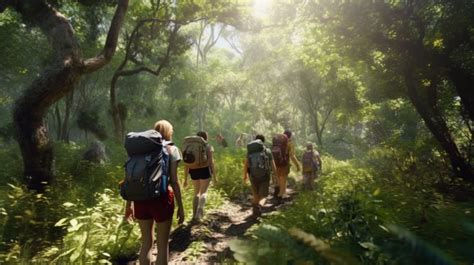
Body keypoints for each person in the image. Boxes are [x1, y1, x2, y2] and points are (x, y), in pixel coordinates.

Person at [124, 120, 185, 265]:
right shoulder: (172, 149)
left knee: (146, 243)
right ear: (169, 132)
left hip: (140, 199)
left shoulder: (139, 151)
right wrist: (181, 207)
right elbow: (174, 181)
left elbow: (129, 179)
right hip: (162, 199)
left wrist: (128, 205)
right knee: (163, 245)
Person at [184, 131, 217, 222]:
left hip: (193, 170)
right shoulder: (208, 146)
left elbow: (186, 164)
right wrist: (214, 176)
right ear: (206, 138)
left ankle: (194, 215)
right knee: (204, 192)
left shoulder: (190, 147)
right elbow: (211, 162)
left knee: (196, 193)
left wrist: (185, 179)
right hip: (204, 169)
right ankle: (200, 211)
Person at [243, 134, 277, 216]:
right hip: (265, 176)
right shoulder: (267, 151)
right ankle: (258, 207)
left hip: (253, 175)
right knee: (264, 196)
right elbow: (273, 166)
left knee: (255, 195)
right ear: (263, 141)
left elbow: (246, 164)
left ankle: (255, 208)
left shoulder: (250, 152)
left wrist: (245, 176)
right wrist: (275, 176)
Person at [275, 130, 300, 201]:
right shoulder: (289, 143)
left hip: (276, 163)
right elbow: (292, 156)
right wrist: (297, 165)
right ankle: (282, 195)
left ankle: (279, 193)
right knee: (283, 179)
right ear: (290, 136)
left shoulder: (277, 142)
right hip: (284, 163)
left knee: (279, 179)